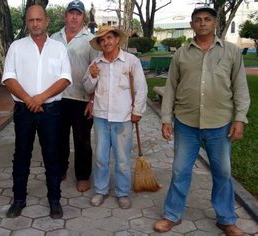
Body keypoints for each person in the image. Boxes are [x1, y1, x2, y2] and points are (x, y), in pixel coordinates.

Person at [153, 6, 250, 236]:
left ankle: (226, 219)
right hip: (186, 123)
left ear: (215, 23)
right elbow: (171, 88)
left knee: (223, 173)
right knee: (179, 171)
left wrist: (240, 119)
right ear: (192, 25)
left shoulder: (231, 52)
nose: (202, 23)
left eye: (207, 19)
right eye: (198, 20)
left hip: (220, 124)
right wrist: (166, 119)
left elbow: (240, 88)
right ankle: (172, 215)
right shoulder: (181, 54)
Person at [2, 5, 72, 219]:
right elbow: (9, 77)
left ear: (47, 21)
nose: (35, 24)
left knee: (52, 155)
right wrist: (28, 100)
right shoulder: (17, 46)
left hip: (51, 111)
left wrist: (40, 98)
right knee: (21, 155)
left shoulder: (58, 48)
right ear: (27, 22)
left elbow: (65, 78)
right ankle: (19, 200)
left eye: (39, 20)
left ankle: (54, 201)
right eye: (31, 20)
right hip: (24, 110)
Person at [83, 26, 147, 209]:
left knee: (122, 159)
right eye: (102, 40)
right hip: (101, 117)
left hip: (123, 118)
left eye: (109, 38)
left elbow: (141, 88)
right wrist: (93, 77)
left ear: (117, 39)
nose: (106, 42)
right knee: (101, 157)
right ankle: (101, 190)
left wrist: (137, 111)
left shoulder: (131, 61)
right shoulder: (96, 64)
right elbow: (87, 88)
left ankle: (122, 192)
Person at [51, 0, 98, 192]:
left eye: (78, 14)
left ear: (83, 17)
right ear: (65, 15)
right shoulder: (54, 38)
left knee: (82, 140)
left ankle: (83, 175)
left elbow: (96, 71)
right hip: (57, 97)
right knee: (58, 137)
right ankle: (60, 169)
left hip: (81, 98)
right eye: (71, 13)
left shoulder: (90, 40)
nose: (74, 17)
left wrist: (93, 100)